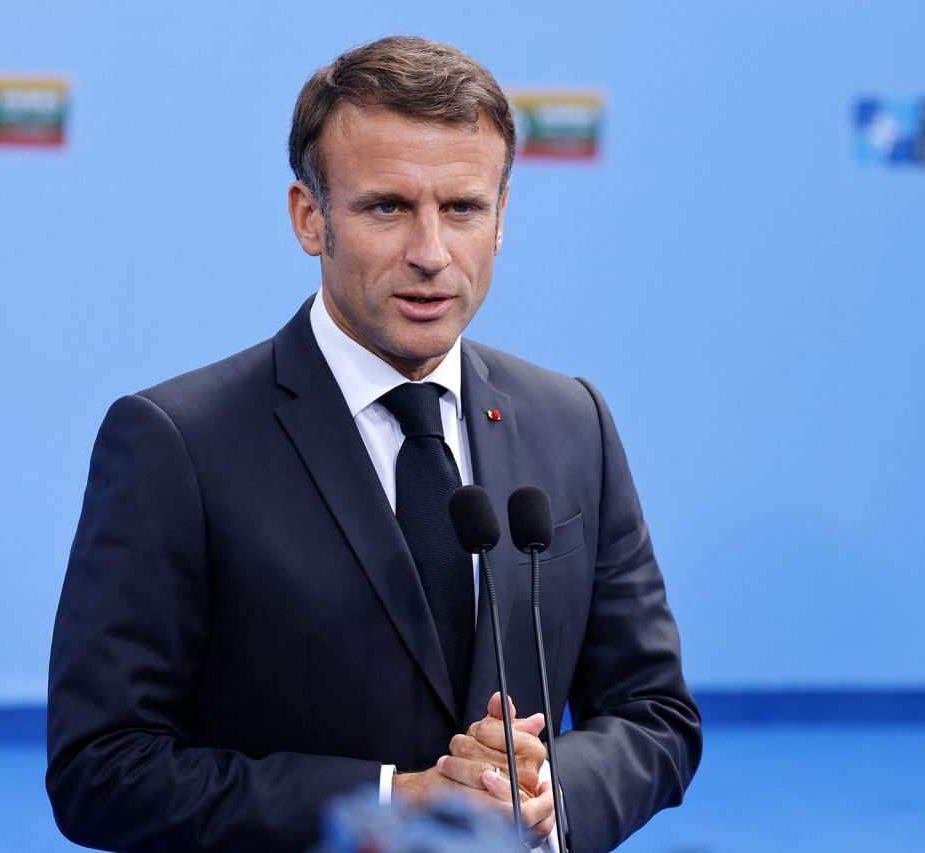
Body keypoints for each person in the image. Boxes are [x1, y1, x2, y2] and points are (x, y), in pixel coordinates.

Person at [47, 35, 701, 853]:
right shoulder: (175, 443)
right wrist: (393, 798)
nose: (431, 254)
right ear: (309, 217)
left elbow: (656, 716)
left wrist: (545, 793)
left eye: (463, 208)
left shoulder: (574, 423)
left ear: (501, 222)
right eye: (387, 207)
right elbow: (101, 769)